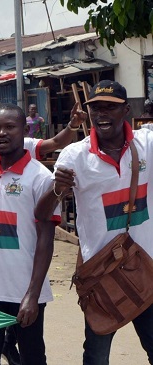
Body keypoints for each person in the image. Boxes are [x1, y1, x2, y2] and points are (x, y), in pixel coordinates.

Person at [0, 97, 86, 364]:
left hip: (24, 293)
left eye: (9, 127)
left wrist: (32, 295)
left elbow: (46, 241)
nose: (1, 133)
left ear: (25, 131)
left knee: (32, 357)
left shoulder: (41, 178)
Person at [36, 80, 153, 365]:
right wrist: (57, 189)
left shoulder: (147, 144)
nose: (102, 114)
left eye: (110, 108)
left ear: (125, 110)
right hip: (102, 274)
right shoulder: (73, 156)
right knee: (96, 356)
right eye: (96, 107)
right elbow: (41, 214)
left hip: (147, 268)